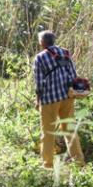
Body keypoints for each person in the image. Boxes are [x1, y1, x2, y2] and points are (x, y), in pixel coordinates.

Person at [34, 30, 85, 169]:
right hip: (67, 97)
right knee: (69, 129)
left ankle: (48, 164)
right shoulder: (66, 53)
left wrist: (38, 100)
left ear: (42, 42)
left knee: (48, 132)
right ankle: (79, 161)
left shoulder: (40, 57)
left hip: (50, 99)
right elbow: (74, 74)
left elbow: (39, 83)